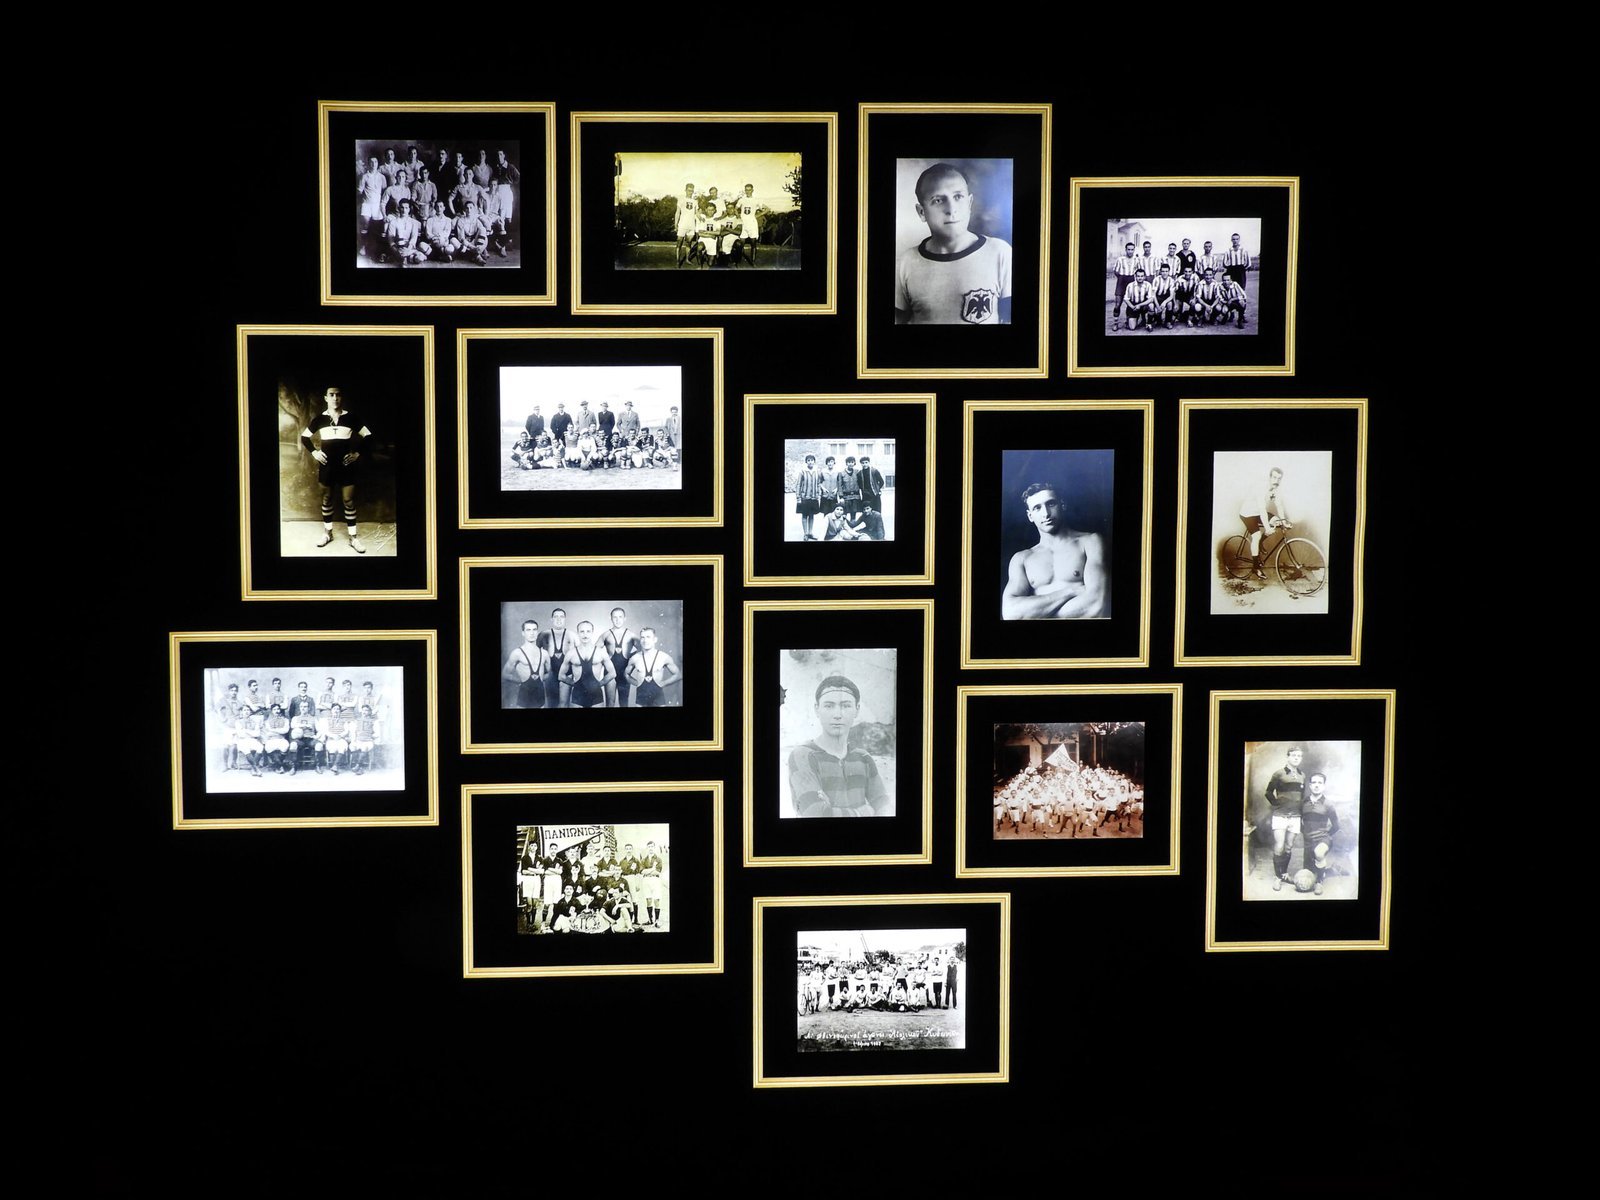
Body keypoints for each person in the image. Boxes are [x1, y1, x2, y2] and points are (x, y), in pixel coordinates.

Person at [894, 163, 1012, 324]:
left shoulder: (1000, 253)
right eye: (938, 200)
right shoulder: (905, 263)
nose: (951, 209)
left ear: (969, 203)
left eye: (958, 197)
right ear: (922, 212)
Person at [786, 674, 891, 817]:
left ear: (857, 709)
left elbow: (885, 806)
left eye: (845, 705)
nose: (837, 714)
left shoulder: (863, 758)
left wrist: (831, 811)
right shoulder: (804, 755)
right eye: (829, 706)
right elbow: (814, 813)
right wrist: (860, 813)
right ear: (817, 709)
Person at [1002, 482, 1108, 619]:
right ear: (1030, 516)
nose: (1046, 513)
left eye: (1051, 504)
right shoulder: (1021, 559)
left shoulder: (1090, 542)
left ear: (1062, 505)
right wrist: (1070, 591)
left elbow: (1097, 605)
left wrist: (1035, 613)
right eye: (1037, 508)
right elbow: (1010, 613)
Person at [301, 385, 372, 554]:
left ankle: (353, 538)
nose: (335, 398)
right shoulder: (319, 419)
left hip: (346, 466)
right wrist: (315, 453)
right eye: (331, 395)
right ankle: (328, 533)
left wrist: (357, 454)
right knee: (327, 499)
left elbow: (368, 436)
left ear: (341, 398)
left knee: (348, 501)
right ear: (326, 398)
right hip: (327, 466)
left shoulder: (351, 418)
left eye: (338, 395)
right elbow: (305, 437)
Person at [1264, 746, 1307, 891]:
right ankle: (1277, 878)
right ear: (1288, 757)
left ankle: (1284, 874)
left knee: (1289, 846)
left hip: (1295, 816)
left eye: (1299, 756)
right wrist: (1277, 805)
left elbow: (1301, 798)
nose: (1296, 758)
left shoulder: (1302, 775)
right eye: (1294, 755)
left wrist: (1301, 814)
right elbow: (1268, 792)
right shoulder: (1279, 774)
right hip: (1280, 816)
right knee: (1280, 846)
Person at [1239, 466, 1292, 580]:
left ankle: (1260, 543)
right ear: (1269, 477)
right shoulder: (1261, 488)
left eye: (1279, 478)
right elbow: (1262, 510)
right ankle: (1256, 567)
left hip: (1258, 513)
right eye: (1274, 477)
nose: (1276, 481)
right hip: (1248, 513)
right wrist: (1267, 528)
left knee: (1277, 521)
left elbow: (1279, 506)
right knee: (1256, 536)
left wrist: (1283, 522)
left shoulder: (1276, 489)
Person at [1299, 771, 1340, 895]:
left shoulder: (1328, 804)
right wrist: (1305, 833)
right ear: (1310, 785)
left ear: (1324, 786)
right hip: (1308, 842)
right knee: (1308, 873)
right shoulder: (1303, 803)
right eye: (1314, 782)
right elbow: (1299, 822)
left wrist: (1325, 836)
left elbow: (1336, 826)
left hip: (1323, 839)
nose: (1316, 785)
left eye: (1320, 783)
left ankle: (1320, 882)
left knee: (1319, 852)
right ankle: (1330, 870)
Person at [560, 620, 614, 709]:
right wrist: (574, 684)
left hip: (596, 695)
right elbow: (561, 676)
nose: (585, 634)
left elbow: (612, 673)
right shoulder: (571, 653)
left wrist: (600, 683)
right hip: (578, 695)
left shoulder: (601, 652)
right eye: (582, 631)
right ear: (578, 633)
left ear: (592, 632)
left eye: (588, 631)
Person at [624, 627, 681, 708]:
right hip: (641, 699)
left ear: (655, 640)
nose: (645, 640)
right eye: (642, 637)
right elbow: (626, 674)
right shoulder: (635, 658)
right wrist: (637, 683)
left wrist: (664, 683)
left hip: (658, 699)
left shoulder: (664, 657)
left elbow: (678, 675)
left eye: (648, 637)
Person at [503, 618, 551, 709]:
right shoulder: (517, 653)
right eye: (528, 630)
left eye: (534, 630)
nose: (532, 633)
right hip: (524, 695)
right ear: (523, 633)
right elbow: (505, 674)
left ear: (537, 632)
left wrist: (539, 679)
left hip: (540, 694)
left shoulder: (544, 653)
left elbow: (549, 673)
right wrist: (522, 681)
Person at [601, 608, 639, 708]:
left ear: (624, 618)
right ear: (610, 618)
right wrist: (604, 660)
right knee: (610, 703)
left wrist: (631, 659)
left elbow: (642, 650)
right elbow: (594, 651)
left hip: (625, 672)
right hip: (610, 672)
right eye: (615, 617)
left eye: (620, 617)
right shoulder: (606, 635)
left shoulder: (631, 635)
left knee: (624, 702)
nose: (617, 620)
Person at [538, 608, 572, 707]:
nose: (558, 619)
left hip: (567, 672)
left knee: (564, 704)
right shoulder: (543, 634)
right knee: (551, 704)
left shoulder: (572, 635)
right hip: (550, 672)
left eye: (561, 616)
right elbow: (535, 654)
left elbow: (579, 655)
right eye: (556, 616)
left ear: (565, 619)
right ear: (551, 619)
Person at [357, 156, 386, 259]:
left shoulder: (382, 177)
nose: (374, 164)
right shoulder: (364, 176)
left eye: (375, 161)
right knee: (365, 223)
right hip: (367, 204)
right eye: (371, 162)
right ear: (368, 164)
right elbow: (359, 191)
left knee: (378, 226)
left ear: (378, 163)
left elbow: (384, 191)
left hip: (377, 205)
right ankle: (363, 246)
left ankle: (377, 250)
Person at [382, 197, 425, 267]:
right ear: (399, 208)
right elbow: (391, 241)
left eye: (406, 208)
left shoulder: (414, 222)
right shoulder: (393, 222)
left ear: (409, 209)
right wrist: (397, 251)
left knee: (420, 258)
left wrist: (407, 251)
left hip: (409, 249)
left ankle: (406, 258)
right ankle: (401, 258)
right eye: (402, 208)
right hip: (397, 249)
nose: (404, 210)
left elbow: (413, 239)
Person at [1110, 240, 1140, 330]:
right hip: (1122, 281)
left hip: (1131, 281)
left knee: (1129, 303)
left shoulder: (1136, 259)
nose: (1130, 251)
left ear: (1134, 250)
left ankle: (1128, 321)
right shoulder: (1120, 259)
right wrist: (1121, 278)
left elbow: (1138, 271)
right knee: (1117, 304)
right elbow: (1115, 271)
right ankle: (1115, 323)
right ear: (1125, 249)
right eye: (1128, 249)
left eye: (1132, 249)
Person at [451, 199, 491, 266]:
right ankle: (477, 256)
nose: (469, 210)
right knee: (453, 240)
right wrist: (472, 247)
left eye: (471, 208)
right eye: (467, 208)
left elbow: (482, 231)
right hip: (465, 244)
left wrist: (477, 247)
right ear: (464, 209)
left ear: (474, 209)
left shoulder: (476, 220)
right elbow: (461, 238)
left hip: (474, 242)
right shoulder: (461, 220)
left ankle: (476, 252)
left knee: (483, 230)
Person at [793, 453, 823, 540]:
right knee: (804, 515)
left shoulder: (817, 472)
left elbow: (818, 484)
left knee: (812, 515)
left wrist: (818, 494)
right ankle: (805, 534)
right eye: (808, 460)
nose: (810, 462)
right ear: (806, 462)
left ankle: (810, 533)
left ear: (814, 461)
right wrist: (798, 497)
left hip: (814, 497)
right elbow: (798, 484)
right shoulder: (802, 472)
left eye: (812, 460)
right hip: (804, 497)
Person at [637, 840, 665, 929]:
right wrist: (652, 869)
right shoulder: (643, 860)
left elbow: (657, 872)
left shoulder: (658, 859)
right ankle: (650, 920)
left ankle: (657, 921)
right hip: (646, 880)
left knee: (657, 899)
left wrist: (648, 871)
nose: (650, 848)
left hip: (655, 880)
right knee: (648, 899)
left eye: (652, 846)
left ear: (654, 847)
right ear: (647, 848)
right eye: (649, 847)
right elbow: (642, 871)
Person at [1121, 266, 1158, 330]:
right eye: (1138, 276)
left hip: (1143, 305)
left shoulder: (1148, 285)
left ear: (1144, 277)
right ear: (1135, 276)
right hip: (1134, 306)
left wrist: (1140, 305)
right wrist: (1133, 307)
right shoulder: (1130, 285)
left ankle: (1148, 324)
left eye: (1142, 276)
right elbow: (1126, 299)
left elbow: (1150, 299)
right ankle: (1133, 318)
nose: (1140, 278)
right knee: (1132, 328)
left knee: (1151, 305)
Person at [349, 704, 379, 775]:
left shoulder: (373, 721)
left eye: (366, 710)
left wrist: (370, 736)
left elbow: (377, 733)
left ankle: (358, 766)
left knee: (365, 747)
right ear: (361, 711)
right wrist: (354, 740)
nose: (364, 712)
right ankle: (359, 768)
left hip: (368, 741)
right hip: (358, 740)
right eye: (363, 710)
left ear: (369, 712)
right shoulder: (357, 721)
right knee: (353, 747)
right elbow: (353, 732)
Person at [262, 704, 292, 774]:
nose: (277, 711)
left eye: (278, 709)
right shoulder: (267, 721)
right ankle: (280, 765)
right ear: (272, 711)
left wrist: (273, 730)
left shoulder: (285, 720)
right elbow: (268, 733)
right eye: (274, 709)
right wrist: (279, 731)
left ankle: (277, 765)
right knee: (268, 748)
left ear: (280, 710)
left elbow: (285, 730)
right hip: (271, 739)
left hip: (282, 739)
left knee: (285, 746)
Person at [674, 183, 699, 265]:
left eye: (692, 191)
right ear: (685, 190)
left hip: (691, 225)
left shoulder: (695, 201)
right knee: (679, 243)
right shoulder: (681, 199)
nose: (690, 192)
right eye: (689, 190)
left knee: (689, 243)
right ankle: (678, 261)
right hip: (682, 225)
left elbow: (697, 213)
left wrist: (702, 219)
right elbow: (677, 212)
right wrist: (675, 224)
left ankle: (687, 259)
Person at [735, 182, 760, 264]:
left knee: (753, 243)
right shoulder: (742, 200)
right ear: (745, 191)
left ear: (752, 190)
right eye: (746, 190)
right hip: (744, 224)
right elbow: (735, 209)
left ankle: (753, 261)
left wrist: (758, 215)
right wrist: (738, 216)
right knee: (741, 243)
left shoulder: (756, 200)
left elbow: (767, 209)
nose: (748, 191)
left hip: (752, 224)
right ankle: (738, 261)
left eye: (749, 190)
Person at [837, 456, 862, 521]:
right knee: (844, 514)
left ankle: (852, 525)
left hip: (855, 496)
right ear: (846, 463)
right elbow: (839, 485)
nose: (850, 464)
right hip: (846, 497)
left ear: (854, 463)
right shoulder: (841, 473)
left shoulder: (857, 472)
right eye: (849, 462)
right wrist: (841, 497)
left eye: (852, 462)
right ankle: (843, 526)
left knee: (853, 514)